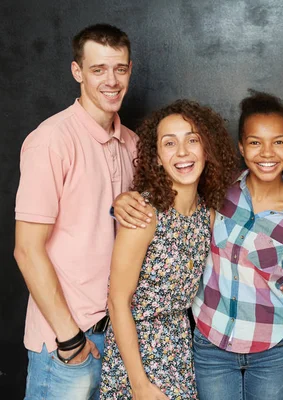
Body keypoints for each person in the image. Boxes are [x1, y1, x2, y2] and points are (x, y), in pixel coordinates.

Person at [112, 91, 283, 400]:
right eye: (255, 142)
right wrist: (119, 203)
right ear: (240, 147)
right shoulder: (221, 195)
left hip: (266, 348)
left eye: (278, 142)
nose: (267, 153)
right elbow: (118, 294)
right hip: (208, 344)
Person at [13, 24, 137, 399]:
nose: (111, 80)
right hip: (67, 345)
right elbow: (27, 249)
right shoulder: (52, 140)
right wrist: (70, 340)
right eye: (98, 69)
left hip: (117, 336)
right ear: (77, 71)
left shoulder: (131, 142)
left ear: (131, 69)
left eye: (120, 68)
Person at [100, 100, 237, 399]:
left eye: (192, 140)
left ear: (206, 149)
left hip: (180, 348)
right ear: (158, 158)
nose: (183, 152)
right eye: (170, 143)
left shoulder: (206, 214)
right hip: (138, 353)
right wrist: (139, 384)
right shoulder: (144, 214)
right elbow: (117, 302)